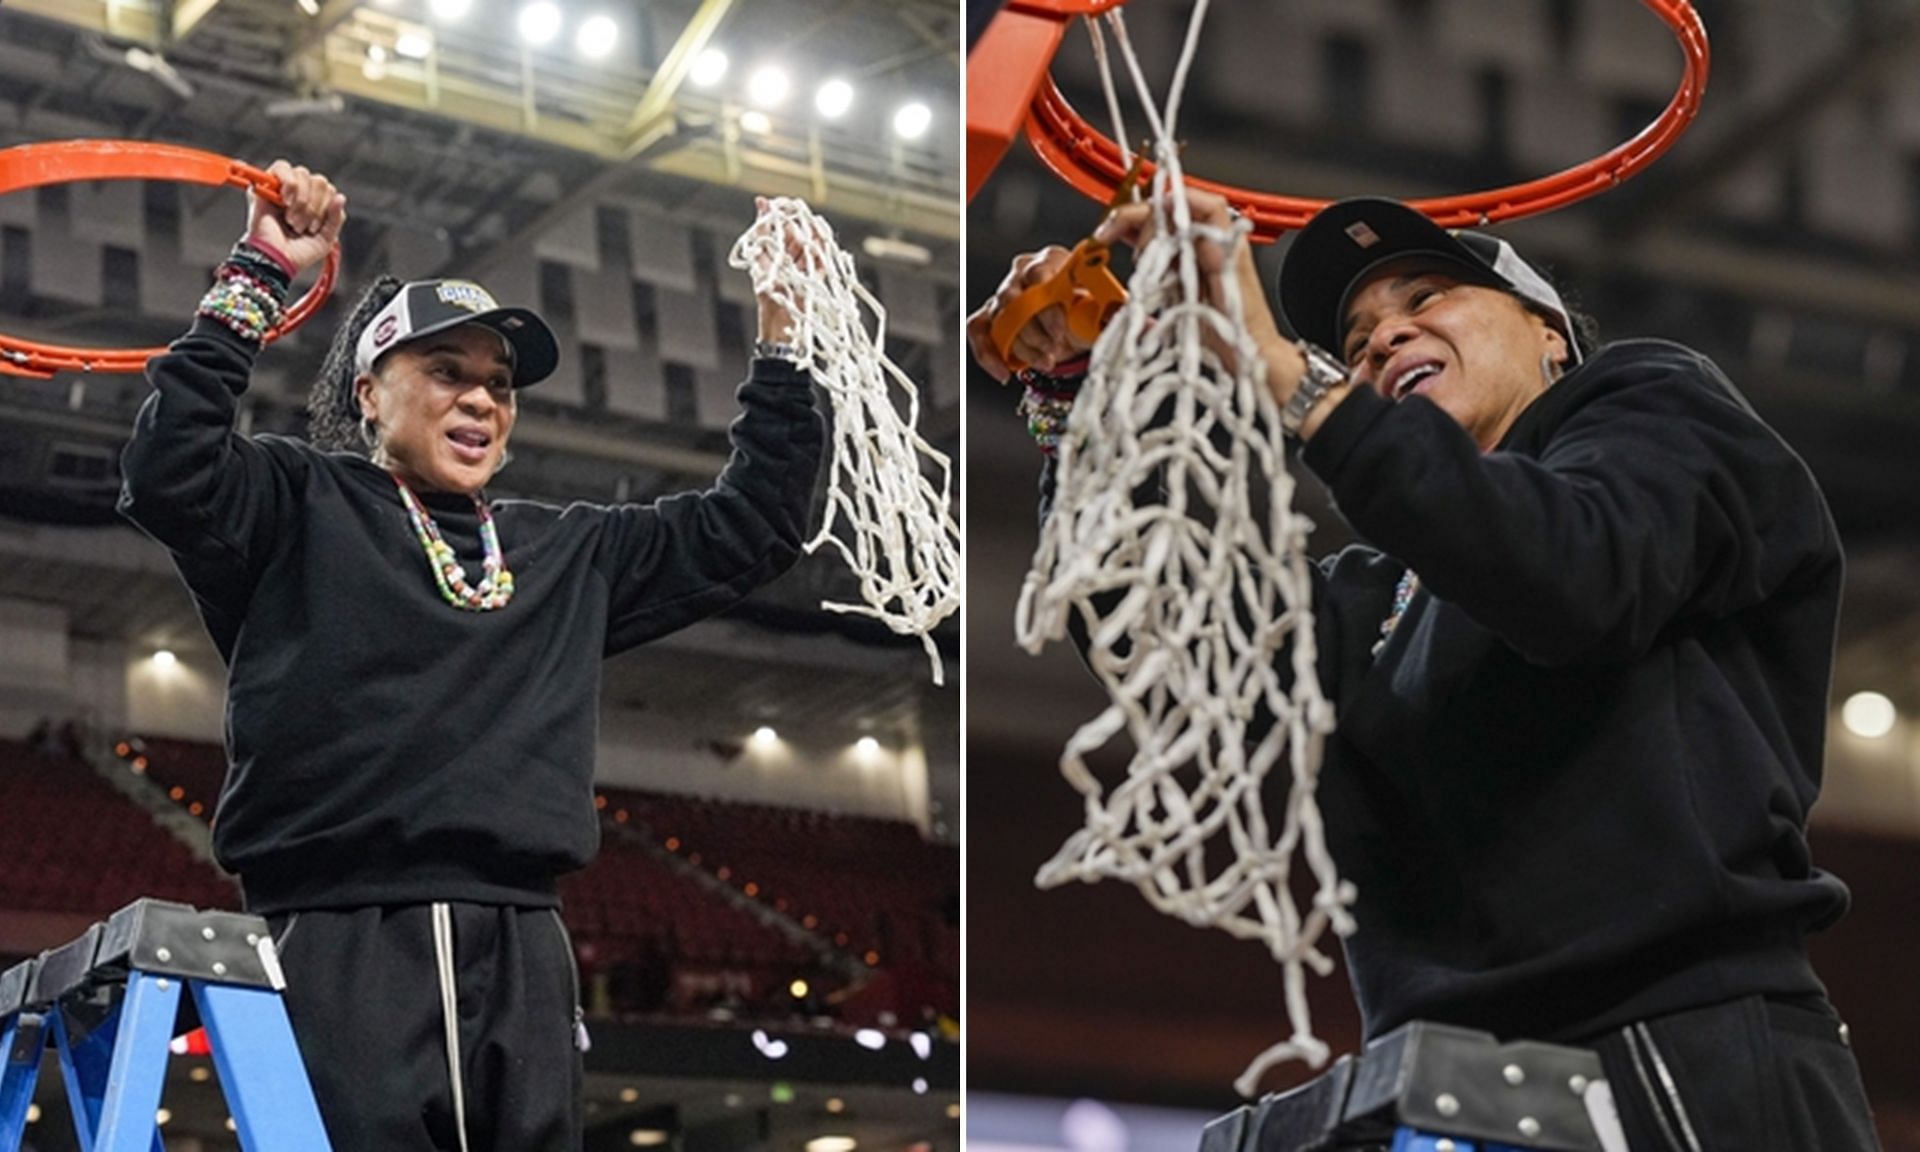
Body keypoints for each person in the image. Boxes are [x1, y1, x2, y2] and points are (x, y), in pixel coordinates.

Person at [968, 194, 1881, 1151]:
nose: (1384, 336)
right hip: (1467, 1087)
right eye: (1356, 339)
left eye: (1429, 296)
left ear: (1550, 336)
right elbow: (1180, 654)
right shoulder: (1375, 596)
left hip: (1682, 1049)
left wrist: (1289, 375)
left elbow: (1573, 573)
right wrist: (1079, 395)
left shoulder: (1660, 409)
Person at [118, 161, 825, 1151]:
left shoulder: (567, 549)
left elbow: (756, 523)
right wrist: (262, 268)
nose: (482, 399)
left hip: (525, 944)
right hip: (337, 934)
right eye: (446, 372)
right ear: (369, 392)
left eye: (499, 384)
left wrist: (786, 335)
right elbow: (169, 471)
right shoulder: (296, 504)